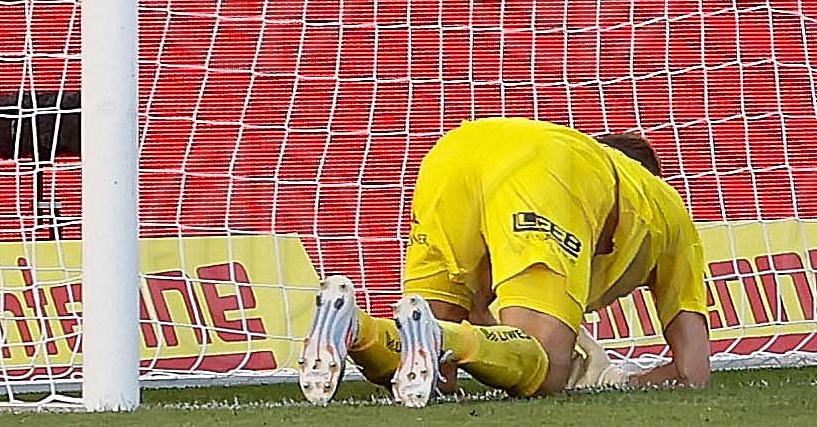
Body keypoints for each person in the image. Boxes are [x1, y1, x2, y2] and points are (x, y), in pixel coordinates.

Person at [297, 120, 713, 404]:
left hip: (453, 154)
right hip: (545, 167)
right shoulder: (666, 206)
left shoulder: (580, 167)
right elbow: (692, 372)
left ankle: (357, 328)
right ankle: (434, 337)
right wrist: (619, 381)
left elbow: (484, 318)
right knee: (548, 368)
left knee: (435, 375)